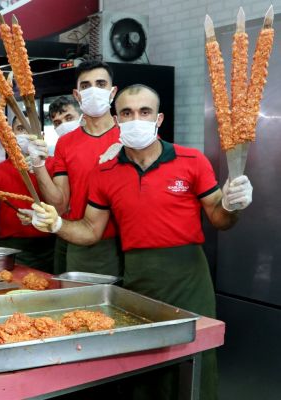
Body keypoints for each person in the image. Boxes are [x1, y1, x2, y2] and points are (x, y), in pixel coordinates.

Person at [31, 84, 253, 400]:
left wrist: (232, 205)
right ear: (117, 119)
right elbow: (91, 231)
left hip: (189, 279)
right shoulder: (105, 172)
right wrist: (56, 224)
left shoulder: (191, 160)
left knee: (196, 361)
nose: (137, 119)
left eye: (145, 112)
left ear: (158, 118)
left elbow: (220, 219)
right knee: (145, 368)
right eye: (127, 113)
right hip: (139, 281)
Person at [29, 60, 122, 276]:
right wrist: (38, 164)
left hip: (130, 242)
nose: (93, 91)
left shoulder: (128, 137)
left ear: (112, 91)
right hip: (82, 240)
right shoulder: (67, 143)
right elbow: (59, 204)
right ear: (77, 95)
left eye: (101, 84)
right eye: (86, 86)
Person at [0, 116, 55, 272]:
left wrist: (40, 169)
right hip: (12, 247)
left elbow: (62, 204)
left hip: (51, 242)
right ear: (12, 135)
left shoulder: (54, 165)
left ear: (41, 135)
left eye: (30, 129)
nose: (25, 134)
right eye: (20, 129)